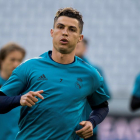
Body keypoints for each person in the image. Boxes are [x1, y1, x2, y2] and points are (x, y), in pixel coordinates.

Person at [0, 8, 110, 140]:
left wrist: (92, 122)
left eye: (72, 29)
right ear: (52, 32)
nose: (65, 33)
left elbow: (102, 107)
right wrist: (19, 99)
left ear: (80, 38)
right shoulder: (28, 67)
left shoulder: (90, 74)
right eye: (60, 27)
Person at [76, 39, 111, 140]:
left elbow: (105, 95)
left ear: (85, 48)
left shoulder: (94, 71)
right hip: (66, 129)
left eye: (78, 46)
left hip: (88, 127)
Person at [0, 42, 26, 140]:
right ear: (1, 60)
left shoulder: (25, 87)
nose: (16, 64)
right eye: (12, 60)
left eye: (19, 60)